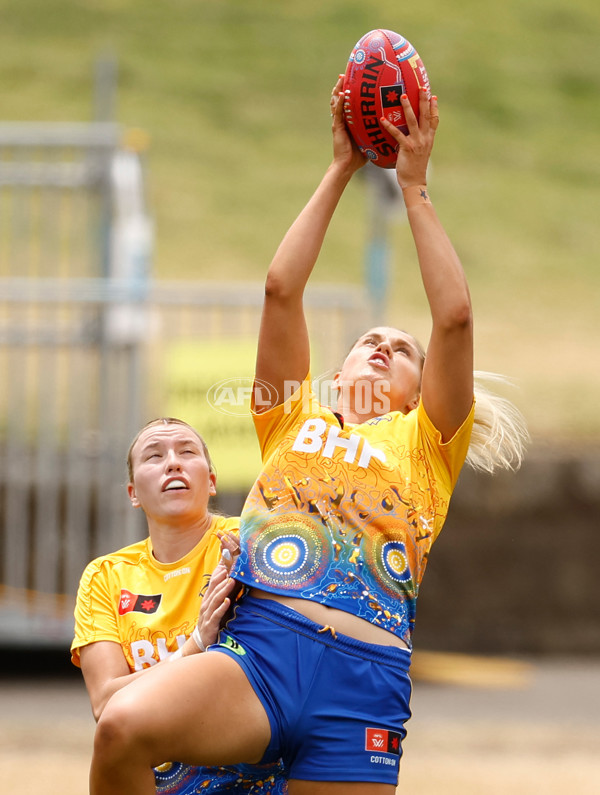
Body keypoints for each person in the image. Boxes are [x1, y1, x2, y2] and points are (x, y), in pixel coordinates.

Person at [89, 79, 527, 794]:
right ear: (337, 369)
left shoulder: (427, 445)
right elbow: (280, 290)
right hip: (262, 654)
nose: (384, 347)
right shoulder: (291, 417)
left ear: (421, 391)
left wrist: (413, 188)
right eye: (368, 340)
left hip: (363, 684)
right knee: (122, 729)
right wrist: (340, 169)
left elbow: (453, 318)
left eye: (401, 349)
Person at [71, 417, 287, 794]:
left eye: (187, 452)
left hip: (253, 768)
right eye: (154, 456)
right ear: (133, 492)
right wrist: (195, 646)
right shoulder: (105, 576)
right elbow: (106, 703)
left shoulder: (248, 543)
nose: (173, 462)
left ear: (212, 481)